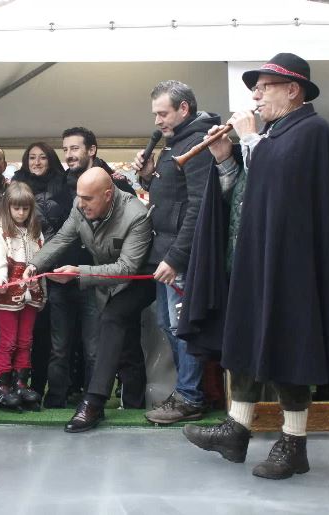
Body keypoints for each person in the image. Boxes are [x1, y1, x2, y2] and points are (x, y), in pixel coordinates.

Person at [182, 53, 329, 480]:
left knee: (288, 345)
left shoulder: (311, 131)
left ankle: (294, 443)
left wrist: (248, 141)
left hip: (290, 267)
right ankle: (237, 429)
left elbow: (280, 188)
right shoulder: (275, 136)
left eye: (264, 86)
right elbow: (245, 195)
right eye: (255, 88)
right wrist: (227, 160)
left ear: (292, 90)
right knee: (243, 338)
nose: (255, 95)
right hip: (251, 260)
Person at [23, 167, 153, 432]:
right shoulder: (80, 204)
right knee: (126, 344)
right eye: (79, 197)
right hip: (103, 280)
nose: (80, 203)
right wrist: (34, 265)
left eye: (88, 199)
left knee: (113, 319)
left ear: (108, 194)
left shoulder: (136, 215)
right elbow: (62, 238)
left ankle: (93, 403)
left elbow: (127, 269)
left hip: (138, 280)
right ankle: (135, 404)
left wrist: (78, 273)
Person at [132, 80, 220, 424]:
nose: (157, 120)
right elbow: (169, 197)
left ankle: (190, 396)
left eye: (162, 113)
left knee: (182, 327)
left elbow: (199, 207)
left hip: (180, 256)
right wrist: (148, 176)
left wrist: (177, 258)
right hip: (165, 249)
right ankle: (189, 391)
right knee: (168, 325)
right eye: (155, 113)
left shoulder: (197, 143)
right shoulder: (175, 144)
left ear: (184, 109)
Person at [11, 142, 71, 396]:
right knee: (21, 335)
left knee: (52, 335)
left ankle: (48, 390)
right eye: (32, 157)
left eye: (42, 157)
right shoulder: (15, 186)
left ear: (51, 160)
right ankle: (18, 386)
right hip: (22, 267)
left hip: (57, 266)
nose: (36, 162)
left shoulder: (64, 184)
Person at [0, 181, 46, 410]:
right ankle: (0, 386)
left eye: (25, 208)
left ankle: (21, 383)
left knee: (26, 341)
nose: (21, 213)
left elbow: (42, 261)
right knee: (8, 341)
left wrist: (39, 286)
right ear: (8, 207)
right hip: (7, 295)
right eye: (16, 208)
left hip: (31, 294)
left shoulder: (36, 232)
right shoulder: (1, 231)